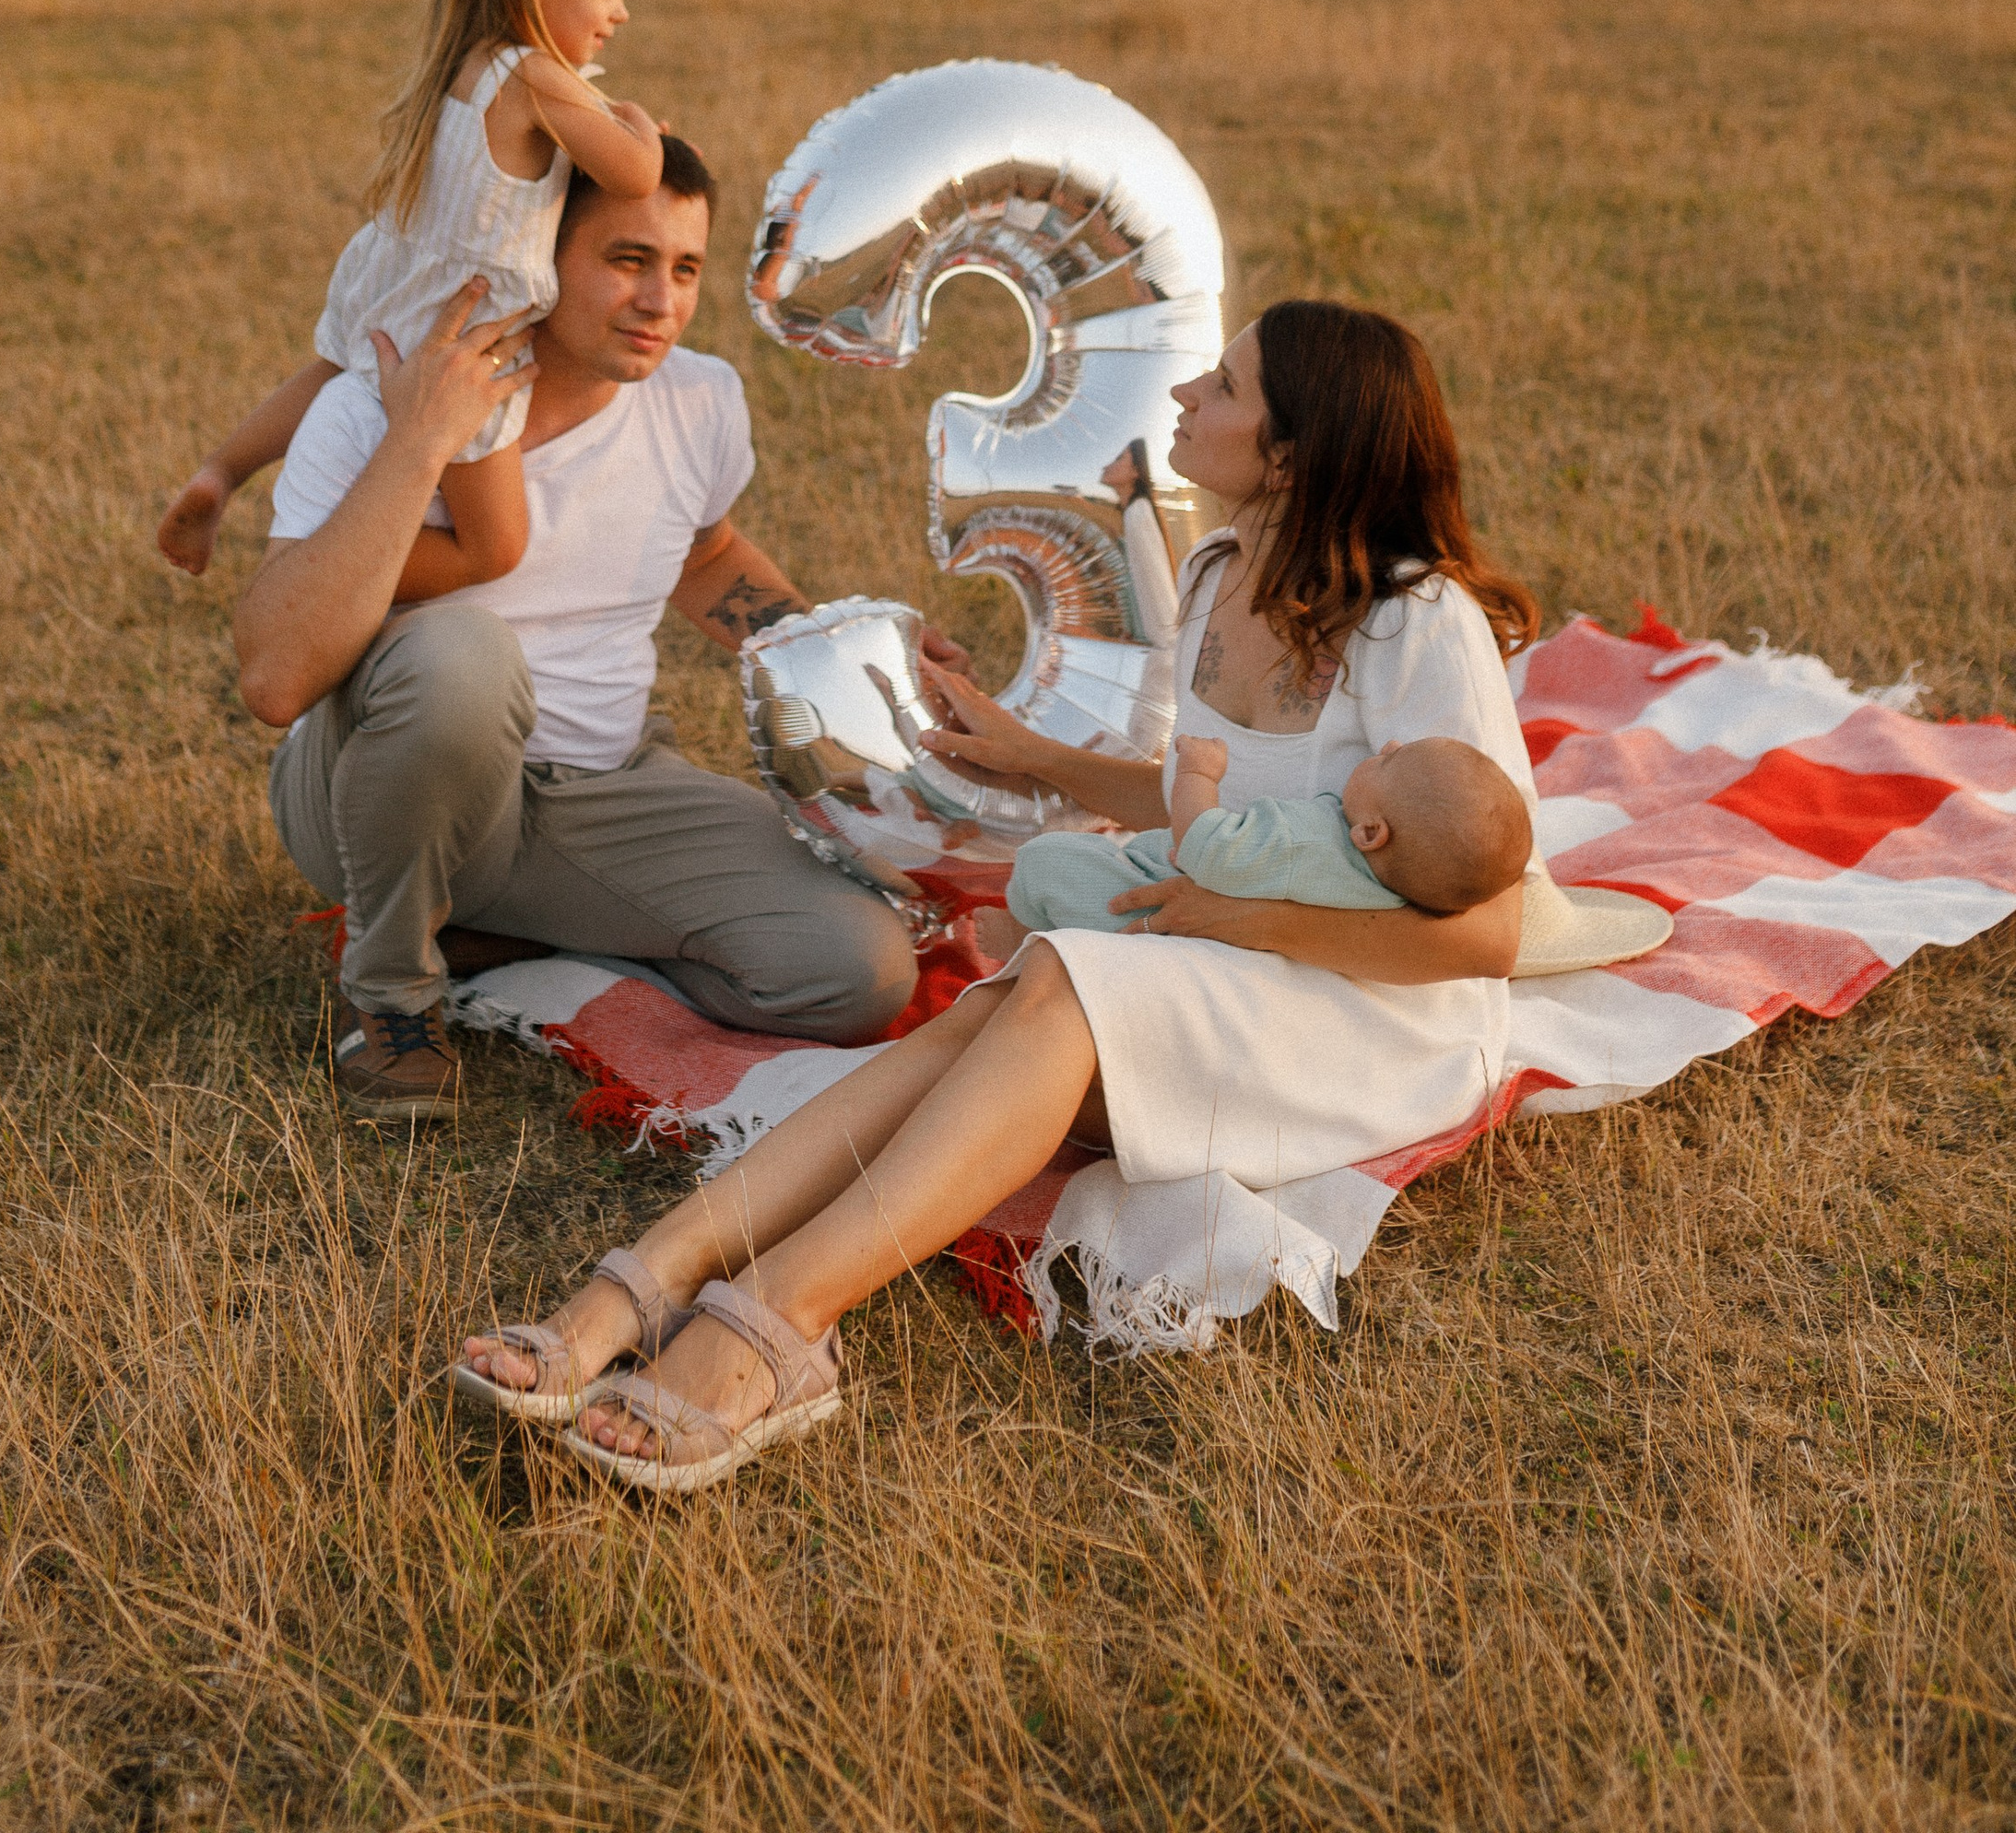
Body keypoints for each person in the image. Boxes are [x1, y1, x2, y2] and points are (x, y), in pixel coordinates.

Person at [453, 298, 1539, 1486]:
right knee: (991, 1015)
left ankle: (775, 1322)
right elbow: (1216, 808)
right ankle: (646, 1282)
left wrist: (1226, 917)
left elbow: (1490, 932)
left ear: (1290, 457)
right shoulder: (1224, 565)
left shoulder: (1415, 623)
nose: (1185, 396)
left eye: (1222, 388)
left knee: (1062, 981)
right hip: (1220, 956)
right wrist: (1029, 757)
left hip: (1370, 1012)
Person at [201, 137, 922, 1122]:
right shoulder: (373, 405)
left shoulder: (701, 400)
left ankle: (501, 933)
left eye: (683, 269)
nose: (660, 301)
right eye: (626, 261)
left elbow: (706, 557)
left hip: (601, 789)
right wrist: (421, 440)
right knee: (464, 657)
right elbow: (275, 681)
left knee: (855, 971)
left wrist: (844, 665)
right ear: (541, 261)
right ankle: (391, 994)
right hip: (378, 790)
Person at [159, 0, 663, 590]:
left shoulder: (465, 63)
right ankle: (316, 569)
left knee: (333, 370)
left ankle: (221, 470)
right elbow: (636, 172)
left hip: (394, 272)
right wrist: (640, 122)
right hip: (462, 333)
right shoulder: (533, 76)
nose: (621, 12)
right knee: (493, 548)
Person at [999, 727, 1533, 938]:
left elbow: (1200, 846)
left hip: (1148, 910)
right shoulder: (1382, 888)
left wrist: (1198, 775)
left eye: (1390, 763)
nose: (1388, 746)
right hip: (1204, 933)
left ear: (1371, 832)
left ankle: (1022, 930)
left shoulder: (1303, 841)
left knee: (1048, 858)